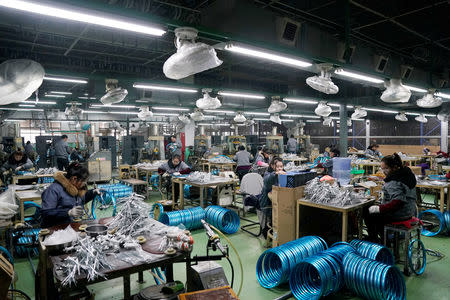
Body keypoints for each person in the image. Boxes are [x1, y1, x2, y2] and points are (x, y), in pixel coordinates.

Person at [364, 153, 417, 242]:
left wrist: (379, 208)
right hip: (410, 211)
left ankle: (377, 240)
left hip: (399, 214)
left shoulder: (394, 182)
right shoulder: (407, 175)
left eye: (386, 168)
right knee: (376, 212)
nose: (384, 171)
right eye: (382, 168)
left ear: (395, 167)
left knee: (367, 213)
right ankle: (384, 237)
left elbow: (398, 202)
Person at [41, 162, 102, 228]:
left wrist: (93, 192)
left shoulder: (76, 188)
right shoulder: (54, 190)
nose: (85, 184)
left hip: (71, 226)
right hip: (55, 229)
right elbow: (46, 213)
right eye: (84, 181)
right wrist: (68, 212)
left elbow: (81, 199)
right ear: (74, 179)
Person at [259, 157, 286, 238]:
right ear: (272, 166)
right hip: (267, 203)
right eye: (278, 166)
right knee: (273, 221)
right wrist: (275, 174)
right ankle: (274, 236)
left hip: (277, 201)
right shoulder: (268, 174)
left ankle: (279, 235)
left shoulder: (283, 174)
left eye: (281, 166)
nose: (280, 168)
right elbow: (267, 182)